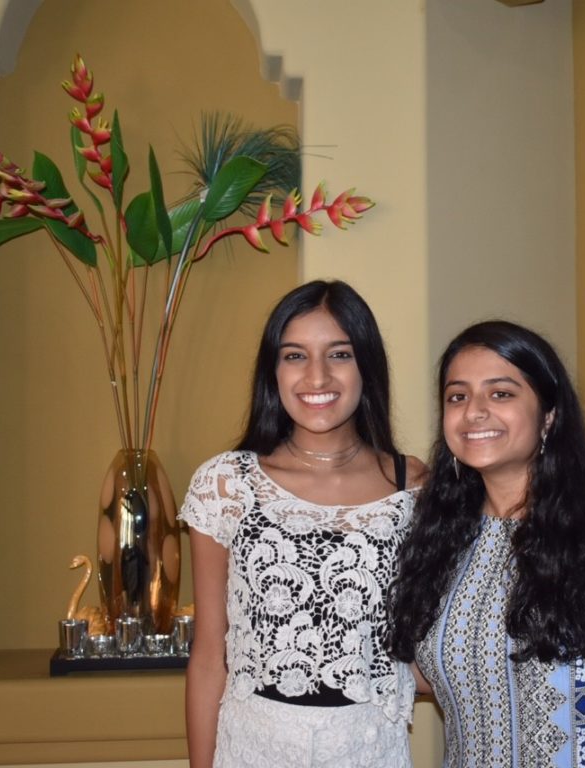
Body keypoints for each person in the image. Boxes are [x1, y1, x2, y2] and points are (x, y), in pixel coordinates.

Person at [387, 320, 585, 768]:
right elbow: (431, 669)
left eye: (501, 393)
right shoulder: (436, 534)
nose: (474, 411)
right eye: (457, 396)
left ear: (548, 414)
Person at [180, 280, 426, 768]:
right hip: (254, 746)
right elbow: (210, 655)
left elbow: (430, 643)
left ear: (366, 367)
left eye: (339, 355)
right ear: (272, 371)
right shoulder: (226, 483)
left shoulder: (414, 486)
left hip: (369, 748)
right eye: (295, 356)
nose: (317, 377)